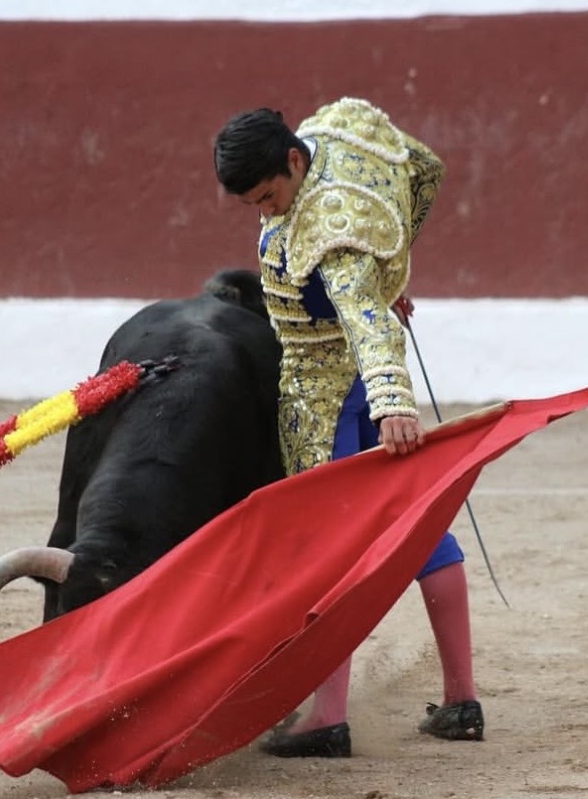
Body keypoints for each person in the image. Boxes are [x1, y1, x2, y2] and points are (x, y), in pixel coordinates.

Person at [213, 97, 484, 757]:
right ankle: (460, 701)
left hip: (328, 393)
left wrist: (393, 401)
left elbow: (364, 320)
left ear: (294, 160)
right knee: (422, 530)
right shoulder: (338, 131)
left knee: (326, 549)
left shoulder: (327, 231)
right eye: (252, 203)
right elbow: (424, 167)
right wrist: (387, 264)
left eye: (269, 196)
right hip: (358, 380)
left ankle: (327, 717)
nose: (265, 211)